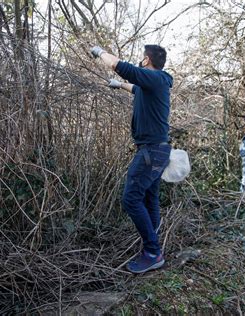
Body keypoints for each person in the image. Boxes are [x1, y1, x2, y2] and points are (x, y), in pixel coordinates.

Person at [90, 44, 172, 274]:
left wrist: (99, 52)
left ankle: (153, 252)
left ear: (146, 60)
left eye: (141, 59)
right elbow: (135, 88)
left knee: (131, 199)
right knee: (149, 198)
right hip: (158, 150)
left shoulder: (154, 78)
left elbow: (121, 67)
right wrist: (120, 86)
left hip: (151, 151)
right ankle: (152, 244)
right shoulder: (153, 84)